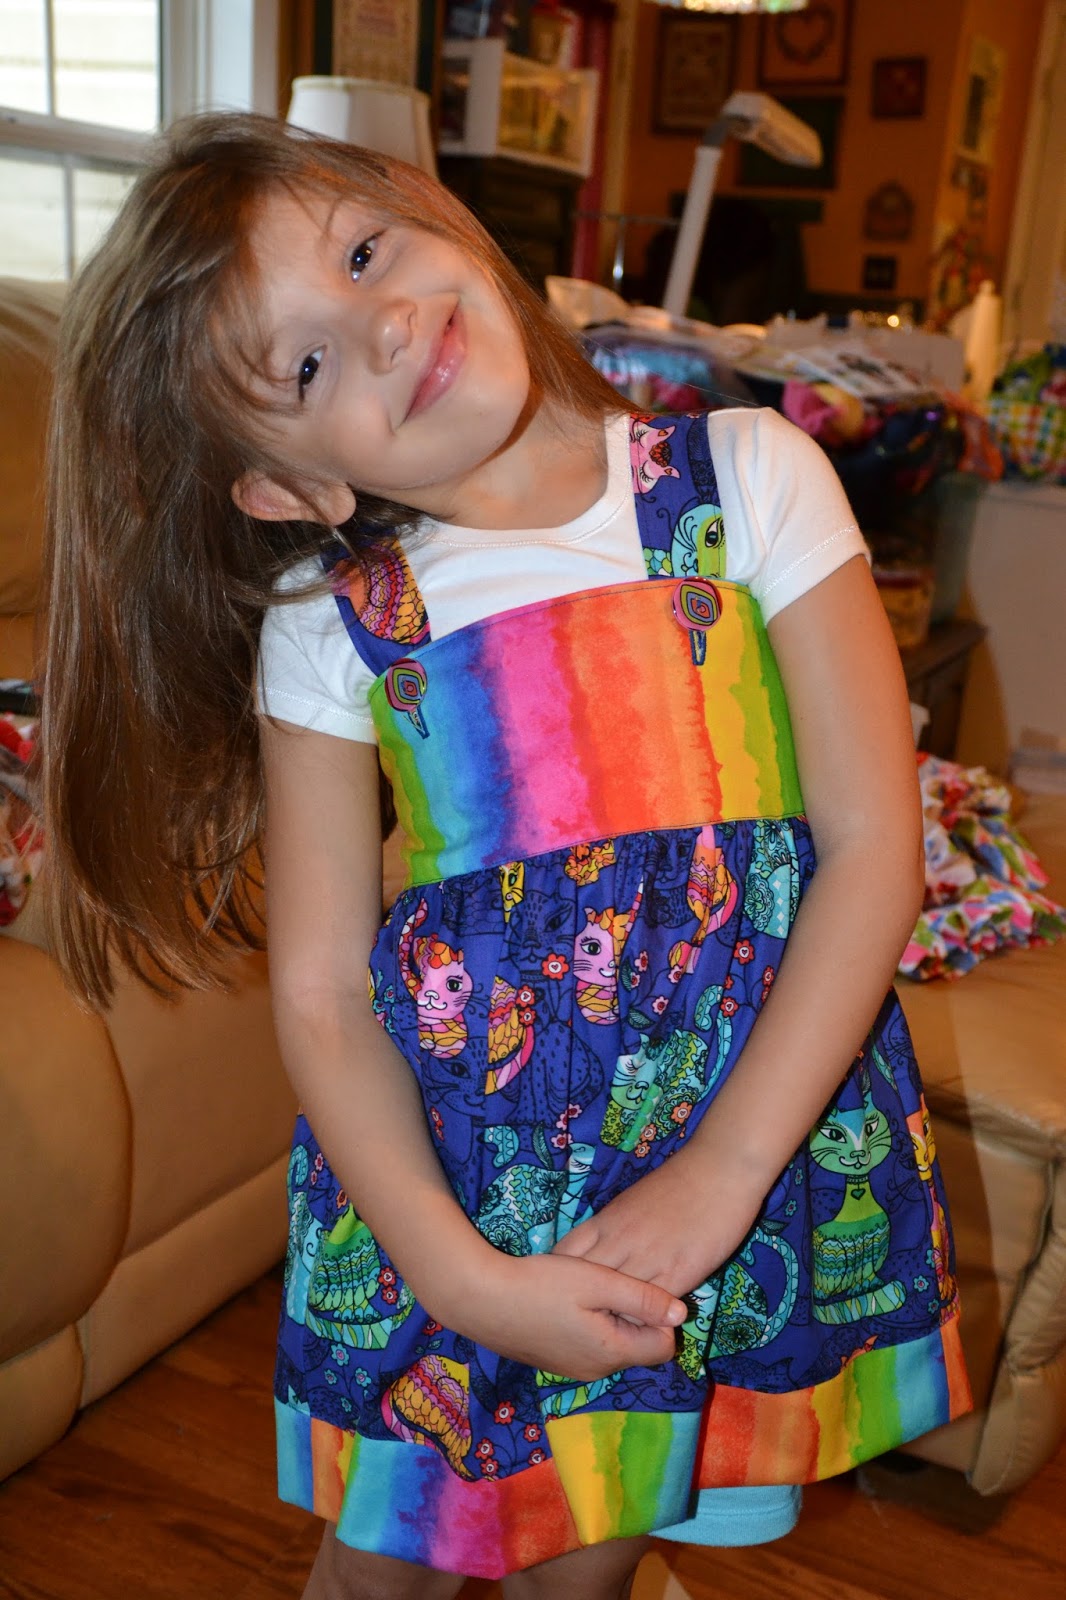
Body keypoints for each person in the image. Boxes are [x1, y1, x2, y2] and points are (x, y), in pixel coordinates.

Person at [41, 113, 970, 1600]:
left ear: (432, 208)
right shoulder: (330, 622)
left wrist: (726, 1173)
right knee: (383, 1563)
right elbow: (322, 994)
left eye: (364, 253)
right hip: (458, 1185)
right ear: (288, 487)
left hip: (720, 1153)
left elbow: (871, 849)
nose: (383, 325)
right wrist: (454, 1271)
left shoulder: (747, 478)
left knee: (582, 1556)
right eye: (303, 368)